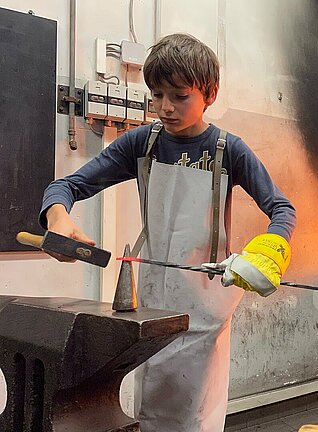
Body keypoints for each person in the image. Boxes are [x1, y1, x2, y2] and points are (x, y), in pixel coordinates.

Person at [39, 33, 296, 431]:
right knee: (153, 412)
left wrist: (265, 252)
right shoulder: (142, 144)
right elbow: (67, 187)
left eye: (179, 96)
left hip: (207, 306)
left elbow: (281, 209)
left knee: (197, 414)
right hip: (154, 302)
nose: (164, 107)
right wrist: (57, 217)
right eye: (157, 95)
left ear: (209, 94)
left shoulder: (231, 151)